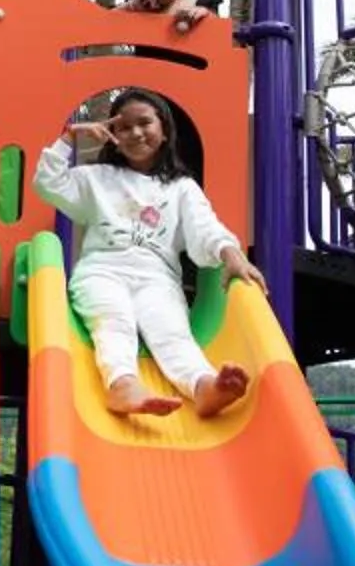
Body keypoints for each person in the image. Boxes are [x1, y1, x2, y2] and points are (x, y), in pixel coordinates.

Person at [37, 89, 265, 417]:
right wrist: (69, 138)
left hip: (157, 278)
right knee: (114, 320)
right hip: (102, 271)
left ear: (165, 131)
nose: (135, 133)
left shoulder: (181, 188)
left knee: (172, 330)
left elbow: (205, 227)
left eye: (144, 123)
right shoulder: (98, 178)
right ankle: (122, 385)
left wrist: (231, 254)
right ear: (112, 135)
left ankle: (203, 386)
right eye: (124, 127)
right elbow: (48, 183)